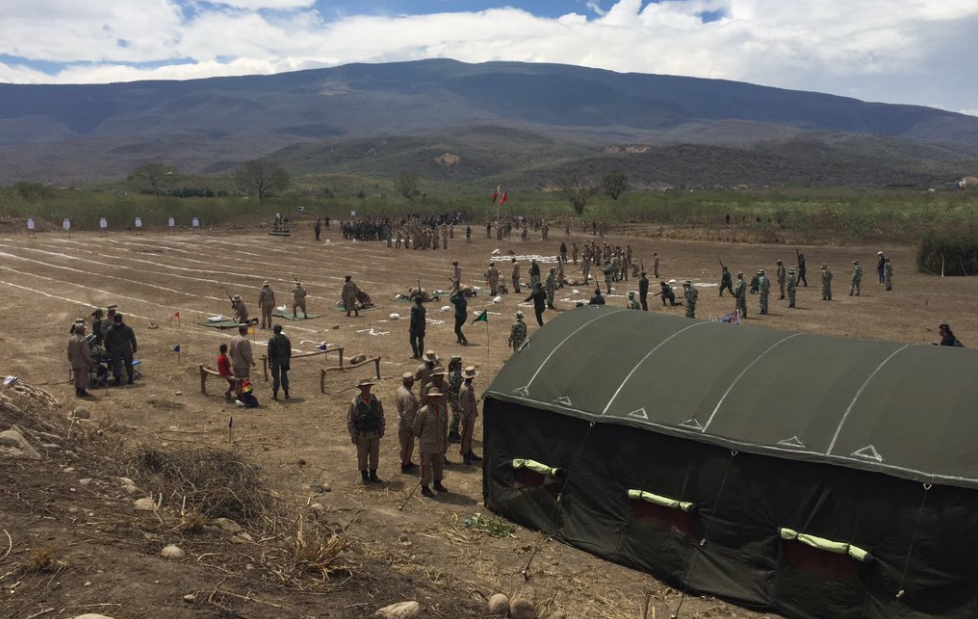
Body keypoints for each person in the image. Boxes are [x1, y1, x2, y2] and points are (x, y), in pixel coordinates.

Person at [347, 378, 386, 485]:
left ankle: (373, 475)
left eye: (367, 387)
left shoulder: (376, 400)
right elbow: (350, 420)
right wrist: (353, 435)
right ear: (360, 388)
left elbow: (381, 416)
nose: (366, 389)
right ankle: (364, 476)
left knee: (374, 455)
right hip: (362, 435)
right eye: (363, 387)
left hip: (374, 433)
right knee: (362, 456)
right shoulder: (355, 402)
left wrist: (382, 428)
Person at [413, 386, 449, 497]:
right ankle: (425, 487)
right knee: (426, 466)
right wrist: (424, 438)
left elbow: (444, 427)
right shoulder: (423, 412)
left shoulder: (442, 410)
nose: (435, 400)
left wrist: (444, 442)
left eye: (437, 397)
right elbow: (416, 429)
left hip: (439, 443)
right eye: (433, 398)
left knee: (439, 465)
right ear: (429, 398)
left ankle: (437, 483)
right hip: (427, 445)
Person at [104, 313, 137, 386]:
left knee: (116, 365)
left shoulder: (110, 329)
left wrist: (108, 349)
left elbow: (106, 341)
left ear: (114, 319)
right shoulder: (128, 328)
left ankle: (117, 380)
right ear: (121, 319)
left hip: (115, 350)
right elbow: (132, 339)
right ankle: (130, 379)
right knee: (128, 363)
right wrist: (134, 348)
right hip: (126, 349)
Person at [396, 372, 419, 473]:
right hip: (406, 423)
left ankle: (407, 461)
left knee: (406, 444)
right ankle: (405, 464)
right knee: (407, 445)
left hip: (402, 420)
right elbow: (408, 412)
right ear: (411, 382)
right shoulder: (408, 396)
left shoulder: (400, 390)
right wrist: (410, 426)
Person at [459, 366, 482, 465]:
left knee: (469, 436)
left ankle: (469, 452)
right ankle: (465, 455)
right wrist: (468, 416)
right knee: (466, 435)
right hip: (467, 415)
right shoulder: (467, 389)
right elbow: (466, 404)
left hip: (469, 414)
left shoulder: (466, 385)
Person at [67, 321, 92, 398]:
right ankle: (82, 391)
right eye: (83, 329)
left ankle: (77, 391)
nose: (84, 330)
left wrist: (71, 359)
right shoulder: (83, 339)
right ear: (81, 330)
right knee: (82, 376)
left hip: (74, 361)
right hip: (82, 361)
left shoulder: (71, 339)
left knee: (76, 376)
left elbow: (69, 351)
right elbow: (85, 352)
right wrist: (89, 360)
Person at [229, 325, 255, 397]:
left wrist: (235, 359)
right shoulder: (244, 341)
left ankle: (238, 394)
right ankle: (245, 396)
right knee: (244, 380)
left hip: (235, 363)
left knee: (237, 380)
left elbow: (231, 352)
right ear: (244, 330)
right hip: (243, 365)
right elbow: (247, 354)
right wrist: (252, 362)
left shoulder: (233, 338)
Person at [267, 325, 292, 400]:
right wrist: (288, 358)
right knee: (284, 376)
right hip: (285, 360)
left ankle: (275, 394)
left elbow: (270, 351)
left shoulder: (272, 339)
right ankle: (286, 394)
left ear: (274, 330)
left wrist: (269, 361)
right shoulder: (286, 339)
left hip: (275, 360)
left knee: (276, 377)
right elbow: (289, 351)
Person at [447, 356, 463, 443]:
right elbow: (455, 385)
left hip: (458, 397)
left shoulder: (459, 371)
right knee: (456, 416)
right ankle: (452, 434)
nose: (461, 364)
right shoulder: (453, 374)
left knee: (458, 416)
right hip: (454, 397)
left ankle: (455, 432)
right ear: (455, 364)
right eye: (459, 363)